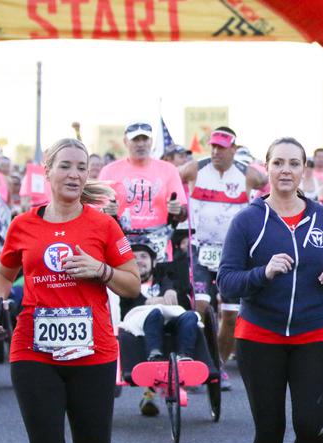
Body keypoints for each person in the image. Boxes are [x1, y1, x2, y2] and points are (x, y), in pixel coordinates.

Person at [0, 138, 140, 443]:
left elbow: (132, 285)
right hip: (33, 350)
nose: (74, 174)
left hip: (93, 352)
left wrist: (102, 270)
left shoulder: (103, 226)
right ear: (47, 171)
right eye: (66, 167)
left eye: (82, 168)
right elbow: (2, 273)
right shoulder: (23, 225)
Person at [217, 137, 323, 443]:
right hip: (261, 336)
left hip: (312, 334)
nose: (286, 170)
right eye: (278, 163)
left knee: (311, 426)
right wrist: (263, 273)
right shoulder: (248, 220)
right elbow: (227, 282)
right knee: (270, 429)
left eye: (294, 163)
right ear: (267, 168)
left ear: (305, 169)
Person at [180, 126, 267, 389]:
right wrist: (179, 215)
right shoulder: (195, 169)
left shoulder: (249, 175)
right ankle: (196, 363)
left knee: (231, 315)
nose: (215, 151)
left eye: (221, 147)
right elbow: (171, 182)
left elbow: (267, 186)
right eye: (213, 146)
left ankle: (218, 364)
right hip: (200, 247)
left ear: (233, 149)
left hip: (233, 253)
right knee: (201, 307)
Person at [119, 238, 199, 417]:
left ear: (153, 262)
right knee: (153, 313)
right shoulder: (124, 281)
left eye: (143, 256)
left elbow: (171, 287)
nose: (139, 260)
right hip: (137, 323)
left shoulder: (163, 278)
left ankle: (184, 358)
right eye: (134, 257)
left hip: (167, 320)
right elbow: (126, 305)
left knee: (190, 317)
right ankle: (154, 357)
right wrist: (150, 301)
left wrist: (170, 292)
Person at [98, 121, 187, 260]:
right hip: (122, 240)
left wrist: (178, 210)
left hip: (158, 242)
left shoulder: (168, 169)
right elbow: (97, 211)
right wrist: (106, 211)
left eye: (144, 139)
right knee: (125, 280)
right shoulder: (109, 171)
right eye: (135, 139)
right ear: (126, 141)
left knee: (160, 281)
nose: (141, 144)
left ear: (151, 141)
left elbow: (183, 213)